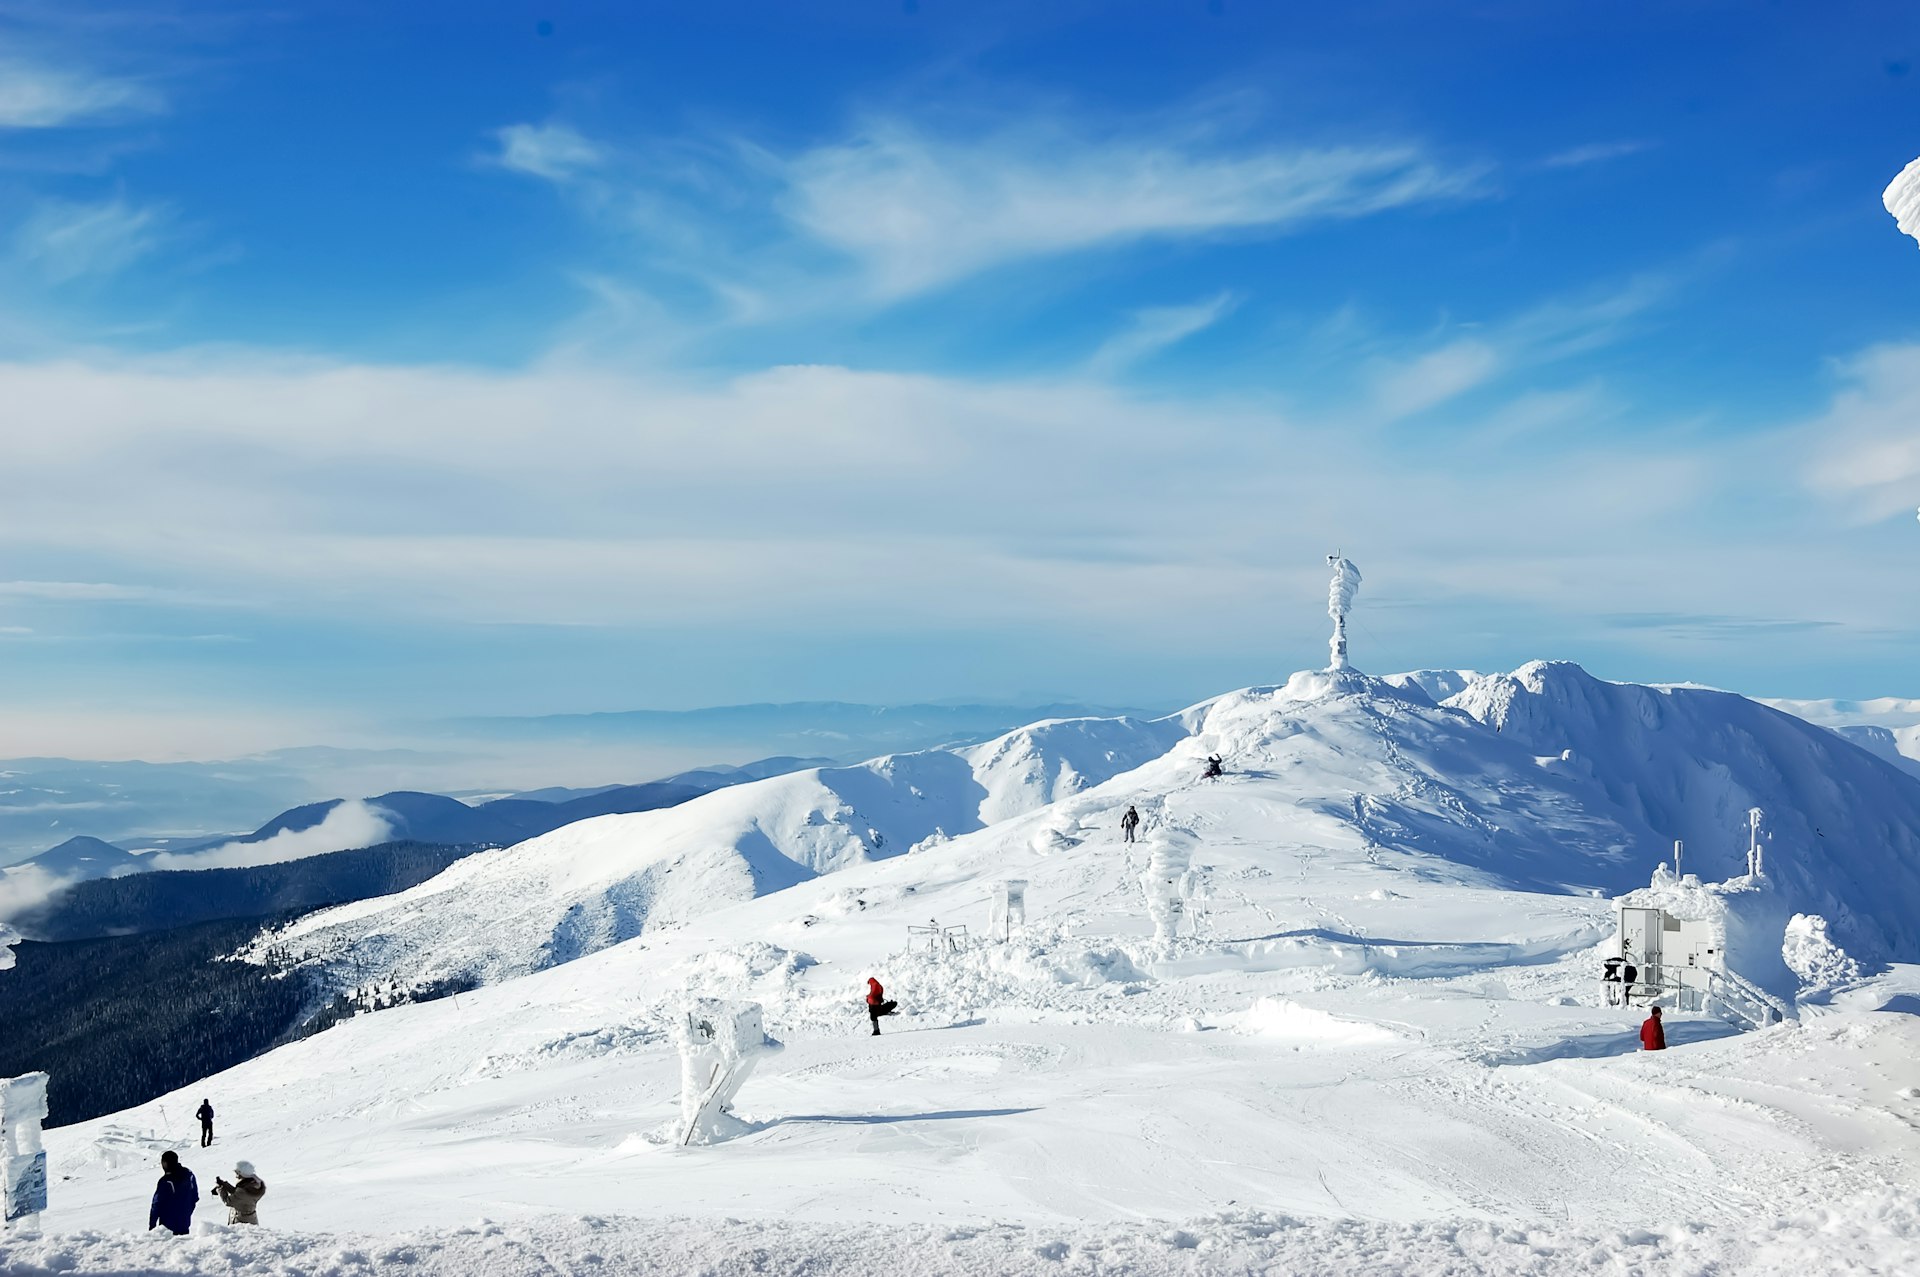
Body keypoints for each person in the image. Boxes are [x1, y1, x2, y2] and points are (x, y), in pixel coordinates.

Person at [148, 1150, 199, 1235]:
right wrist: (186, 1213)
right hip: (184, 1224)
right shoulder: (189, 1175)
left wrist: (152, 1226)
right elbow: (195, 1197)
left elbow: (156, 1204)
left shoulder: (166, 1181)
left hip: (167, 1227)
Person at [213, 1160, 267, 1225]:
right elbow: (238, 1194)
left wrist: (220, 1189)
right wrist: (225, 1185)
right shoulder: (254, 1185)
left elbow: (228, 1201)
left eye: (237, 1173)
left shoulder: (243, 1191)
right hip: (250, 1219)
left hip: (241, 1222)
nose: (236, 1176)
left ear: (242, 1174)